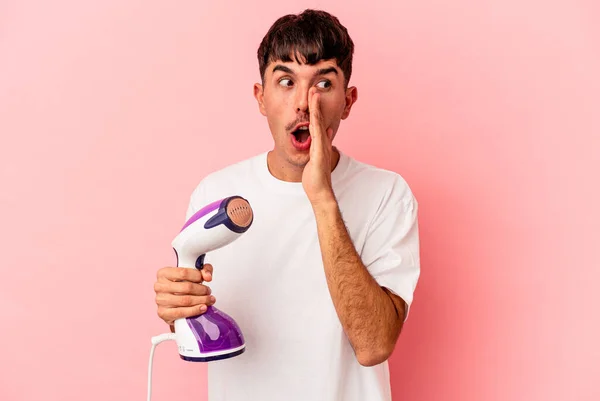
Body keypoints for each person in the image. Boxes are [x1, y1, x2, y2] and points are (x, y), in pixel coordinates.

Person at [153, 9, 420, 401]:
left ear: (347, 101)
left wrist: (322, 197)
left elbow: (374, 345)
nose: (303, 104)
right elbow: (193, 325)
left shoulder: (387, 195)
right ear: (261, 98)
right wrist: (176, 309)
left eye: (323, 82)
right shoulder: (215, 194)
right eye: (285, 81)